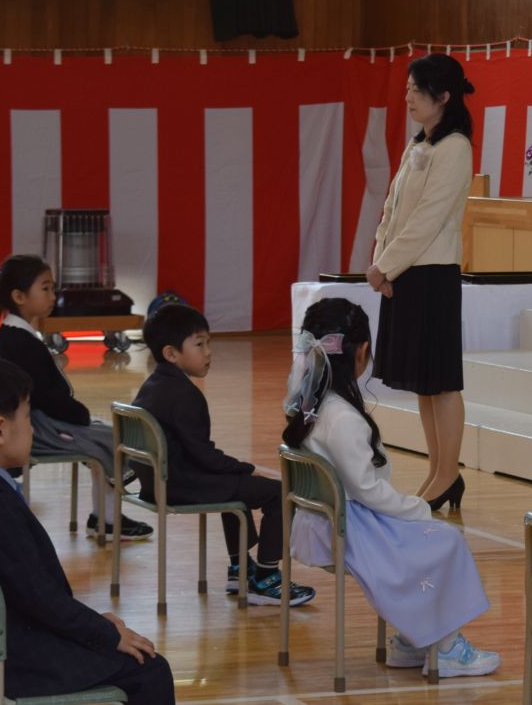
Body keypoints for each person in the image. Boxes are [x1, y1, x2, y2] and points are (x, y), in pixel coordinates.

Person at [0, 357, 175, 704]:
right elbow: (40, 599)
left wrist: (95, 625)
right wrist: (104, 634)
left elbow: (32, 596)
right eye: (28, 418)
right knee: (149, 668)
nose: (32, 429)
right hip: (19, 659)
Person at [285, 297, 499, 678]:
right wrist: (417, 508)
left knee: (430, 540)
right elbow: (367, 490)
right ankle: (446, 648)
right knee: (446, 540)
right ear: (362, 351)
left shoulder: (309, 404)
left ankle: (416, 639)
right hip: (346, 527)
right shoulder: (342, 417)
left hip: (319, 520)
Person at [132, 301, 313, 605]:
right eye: (199, 344)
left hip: (157, 483)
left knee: (237, 488)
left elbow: (198, 454)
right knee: (279, 493)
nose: (208, 352)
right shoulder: (185, 395)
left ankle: (240, 569)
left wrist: (237, 471)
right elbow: (204, 456)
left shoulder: (152, 385)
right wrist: (244, 467)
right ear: (171, 353)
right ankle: (266, 577)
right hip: (180, 484)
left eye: (209, 343)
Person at [366, 53, 476, 512]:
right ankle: (438, 471)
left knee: (443, 381)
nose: (408, 97)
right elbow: (392, 211)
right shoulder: (419, 143)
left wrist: (386, 266)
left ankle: (448, 473)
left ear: (444, 96)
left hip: (432, 274)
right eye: (407, 88)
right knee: (425, 383)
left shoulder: (455, 147)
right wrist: (382, 262)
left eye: (416, 89)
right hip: (407, 272)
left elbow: (428, 219)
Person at [0, 254, 153, 541]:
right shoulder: (21, 341)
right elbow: (46, 397)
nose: (53, 295)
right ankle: (108, 521)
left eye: (52, 287)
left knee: (104, 434)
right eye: (45, 288)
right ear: (19, 296)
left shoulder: (13, 334)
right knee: (112, 439)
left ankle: (104, 518)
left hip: (32, 422)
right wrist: (80, 415)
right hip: (37, 428)